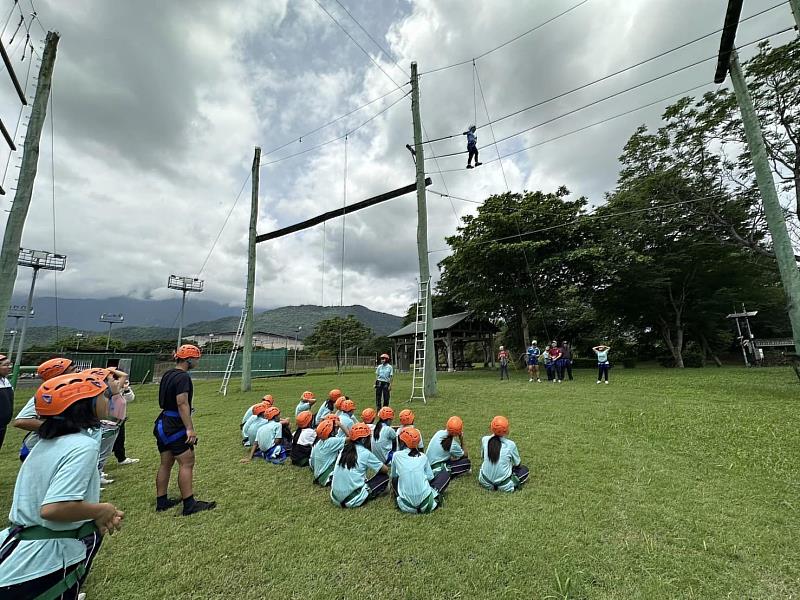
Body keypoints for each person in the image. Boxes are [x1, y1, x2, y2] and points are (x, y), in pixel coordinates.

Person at [0, 372, 124, 599]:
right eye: (103, 396)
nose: (108, 400)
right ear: (87, 405)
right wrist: (103, 509)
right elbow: (55, 508)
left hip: (17, 551)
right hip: (42, 561)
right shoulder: (82, 446)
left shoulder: (46, 442)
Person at [153, 344, 216, 516]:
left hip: (162, 423)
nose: (197, 361)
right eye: (196, 358)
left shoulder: (168, 374)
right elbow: (182, 402)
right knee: (187, 462)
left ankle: (162, 501)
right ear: (188, 359)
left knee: (166, 463)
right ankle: (189, 504)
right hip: (175, 425)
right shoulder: (183, 377)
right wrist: (190, 429)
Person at [14, 357, 77, 462]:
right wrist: (62, 428)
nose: (79, 372)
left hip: (58, 448)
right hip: (38, 450)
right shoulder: (47, 395)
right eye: (73, 370)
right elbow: (21, 421)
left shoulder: (70, 392)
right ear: (59, 375)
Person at [391, 427, 450, 514]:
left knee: (395, 479)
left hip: (406, 506)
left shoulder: (396, 456)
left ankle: (400, 496)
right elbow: (430, 478)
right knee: (445, 474)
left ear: (402, 442)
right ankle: (434, 496)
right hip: (427, 505)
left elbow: (393, 476)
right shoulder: (423, 457)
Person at [330, 423, 390, 508]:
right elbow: (385, 469)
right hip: (353, 500)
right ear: (363, 440)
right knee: (384, 477)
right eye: (369, 437)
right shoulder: (365, 453)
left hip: (335, 499)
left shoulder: (344, 449)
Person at [478, 416, 529, 493]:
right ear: (506, 430)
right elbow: (517, 464)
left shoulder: (485, 440)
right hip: (504, 486)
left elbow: (482, 457)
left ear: (491, 427)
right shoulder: (511, 445)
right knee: (524, 470)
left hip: (485, 482)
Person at [309, 415, 344, 486]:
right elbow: (352, 439)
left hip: (318, 474)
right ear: (331, 431)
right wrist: (341, 425)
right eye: (336, 427)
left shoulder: (319, 441)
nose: (337, 429)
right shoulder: (331, 441)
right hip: (326, 476)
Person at [0, 354, 14, 451]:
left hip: (2, 426)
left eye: (10, 364)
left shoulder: (5, 381)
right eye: (5, 365)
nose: (9, 367)